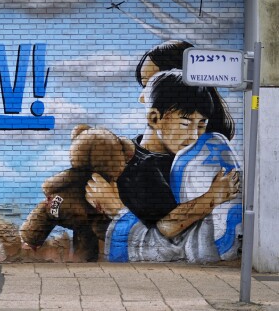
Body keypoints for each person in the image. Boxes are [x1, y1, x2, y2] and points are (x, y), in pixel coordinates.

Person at [86, 70, 240, 262]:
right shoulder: (143, 170)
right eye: (185, 123)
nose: (194, 135)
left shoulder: (179, 156)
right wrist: (212, 197)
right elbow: (168, 228)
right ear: (154, 119)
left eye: (201, 125)